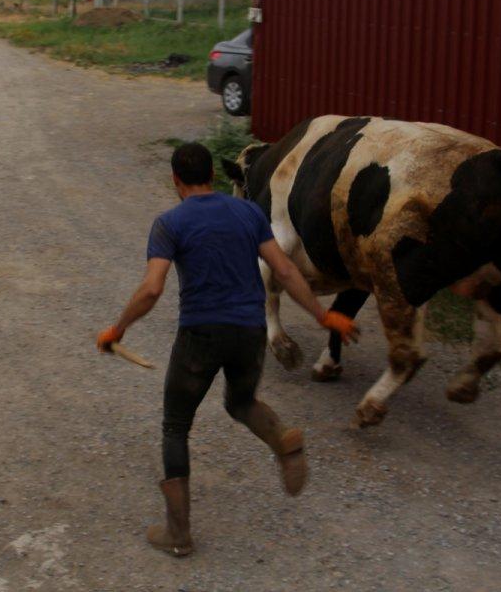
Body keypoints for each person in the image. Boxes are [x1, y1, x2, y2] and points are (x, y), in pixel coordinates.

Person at [97, 142, 357, 557]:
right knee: (240, 401)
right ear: (212, 177)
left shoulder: (170, 223)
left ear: (175, 181)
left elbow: (151, 289)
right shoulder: (249, 213)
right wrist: (323, 316)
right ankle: (280, 439)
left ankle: (178, 534)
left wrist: (118, 327)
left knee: (175, 426)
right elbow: (285, 269)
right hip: (250, 330)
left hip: (201, 334)